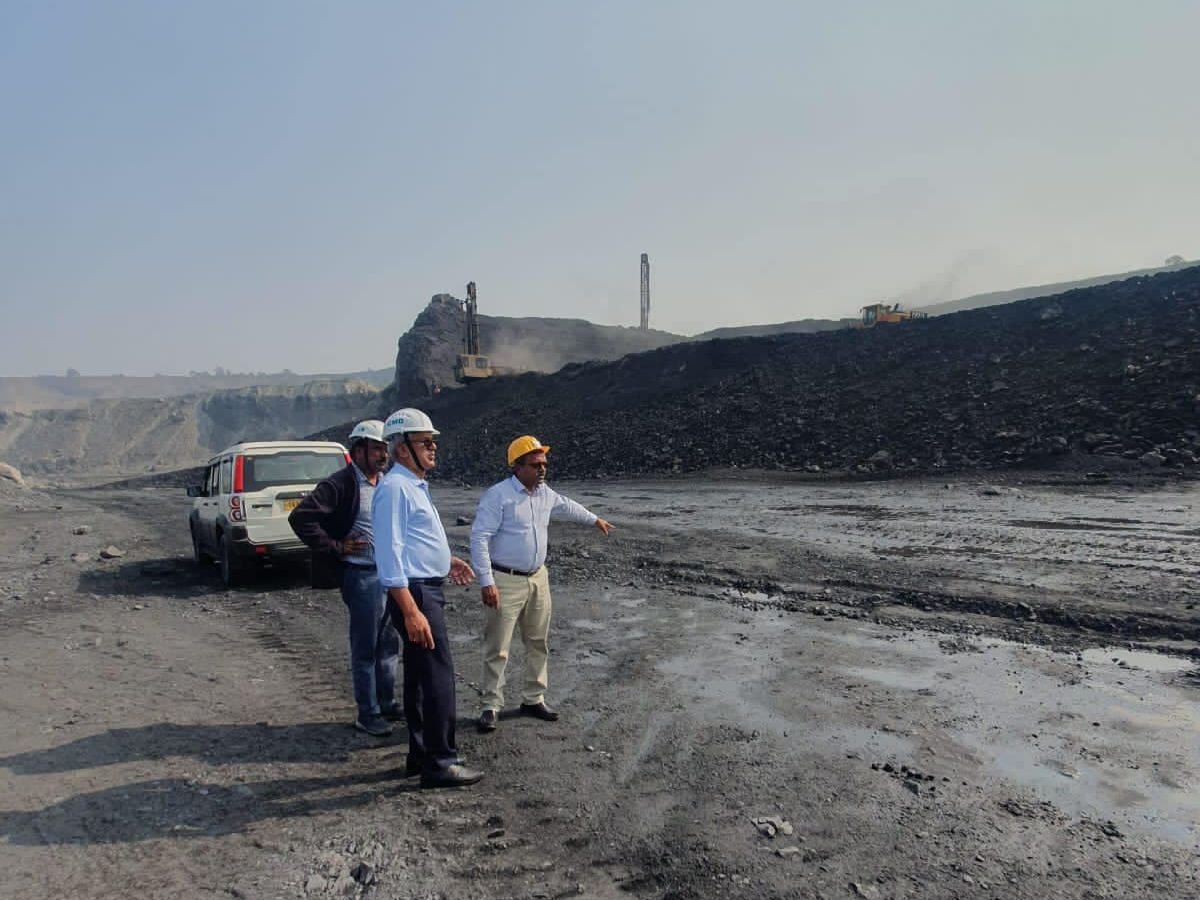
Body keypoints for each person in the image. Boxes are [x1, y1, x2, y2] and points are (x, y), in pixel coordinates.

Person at [470, 435, 612, 734]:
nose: (542, 469)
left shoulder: (545, 494)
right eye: (535, 464)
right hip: (505, 580)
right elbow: (480, 537)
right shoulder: (499, 496)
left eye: (544, 463)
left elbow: (568, 507)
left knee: (537, 641)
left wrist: (594, 520)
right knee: (498, 646)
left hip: (538, 577)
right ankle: (490, 705)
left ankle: (533, 698)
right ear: (517, 466)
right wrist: (486, 581)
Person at [373, 407, 483, 788]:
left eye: (433, 441)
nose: (433, 447)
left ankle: (421, 754)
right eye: (425, 442)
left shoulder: (412, 485)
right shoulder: (394, 489)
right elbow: (389, 556)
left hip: (423, 587)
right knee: (438, 677)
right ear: (403, 449)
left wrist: (445, 560)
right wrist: (411, 610)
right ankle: (440, 761)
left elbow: (411, 542)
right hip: (415, 593)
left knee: (421, 678)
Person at [288, 420, 401, 737]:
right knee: (365, 648)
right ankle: (368, 713)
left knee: (388, 645)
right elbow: (301, 517)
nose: (383, 455)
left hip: (389, 576)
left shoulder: (386, 482)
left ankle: (386, 703)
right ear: (358, 450)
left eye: (385, 448)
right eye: (376, 448)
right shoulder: (340, 484)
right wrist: (335, 546)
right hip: (362, 577)